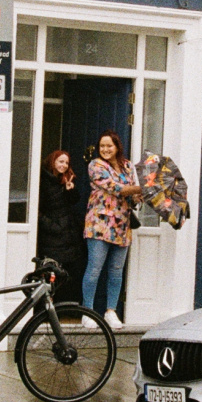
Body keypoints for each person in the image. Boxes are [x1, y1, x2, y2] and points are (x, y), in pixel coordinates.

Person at [82, 130, 145, 323]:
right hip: (100, 224)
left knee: (117, 271)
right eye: (102, 146)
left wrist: (138, 196)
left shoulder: (127, 166)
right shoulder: (96, 165)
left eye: (109, 146)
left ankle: (111, 311)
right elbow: (117, 189)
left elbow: (131, 193)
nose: (105, 149)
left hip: (122, 224)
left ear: (117, 146)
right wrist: (143, 188)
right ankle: (87, 312)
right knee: (94, 269)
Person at [34, 148, 86, 300]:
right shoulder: (43, 181)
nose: (63, 165)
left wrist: (70, 189)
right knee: (52, 272)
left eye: (66, 163)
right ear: (53, 161)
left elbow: (73, 202)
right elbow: (37, 210)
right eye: (60, 161)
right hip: (52, 235)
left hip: (67, 234)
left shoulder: (65, 180)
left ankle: (63, 306)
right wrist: (51, 225)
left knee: (67, 272)